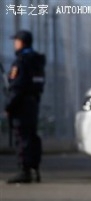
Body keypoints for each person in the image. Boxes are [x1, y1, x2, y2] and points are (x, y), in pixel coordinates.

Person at [4, 30, 44, 184]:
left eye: (16, 41)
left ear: (21, 42)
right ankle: (35, 168)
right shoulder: (37, 61)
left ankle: (24, 170)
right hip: (33, 102)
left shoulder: (21, 62)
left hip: (21, 104)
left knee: (22, 137)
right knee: (32, 136)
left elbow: (17, 87)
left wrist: (9, 106)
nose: (15, 44)